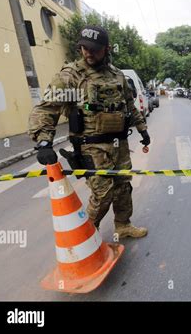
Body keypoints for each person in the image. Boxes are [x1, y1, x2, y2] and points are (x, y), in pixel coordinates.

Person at [28, 25, 150, 238]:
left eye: (94, 48)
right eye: (84, 47)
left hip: (119, 143)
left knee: (122, 188)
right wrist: (44, 141)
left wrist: (142, 129)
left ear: (107, 48)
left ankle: (123, 225)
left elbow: (129, 106)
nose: (88, 52)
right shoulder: (71, 76)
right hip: (90, 146)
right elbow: (47, 108)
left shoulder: (117, 75)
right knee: (103, 194)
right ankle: (84, 237)